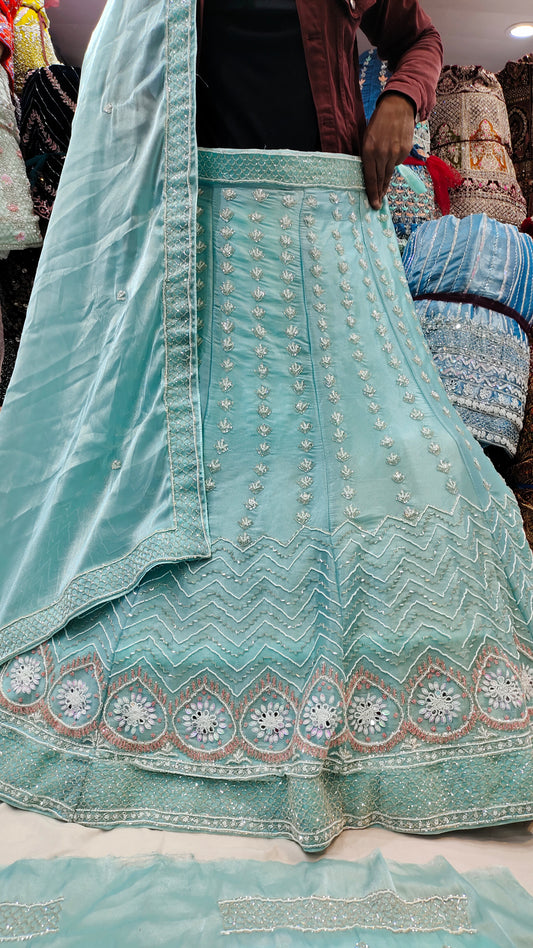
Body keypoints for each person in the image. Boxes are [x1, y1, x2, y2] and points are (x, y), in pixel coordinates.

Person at [0, 0, 531, 853]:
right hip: (207, 243)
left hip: (333, 230)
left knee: (392, 452)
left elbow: (419, 37)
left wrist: (401, 102)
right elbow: (124, 100)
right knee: (213, 460)